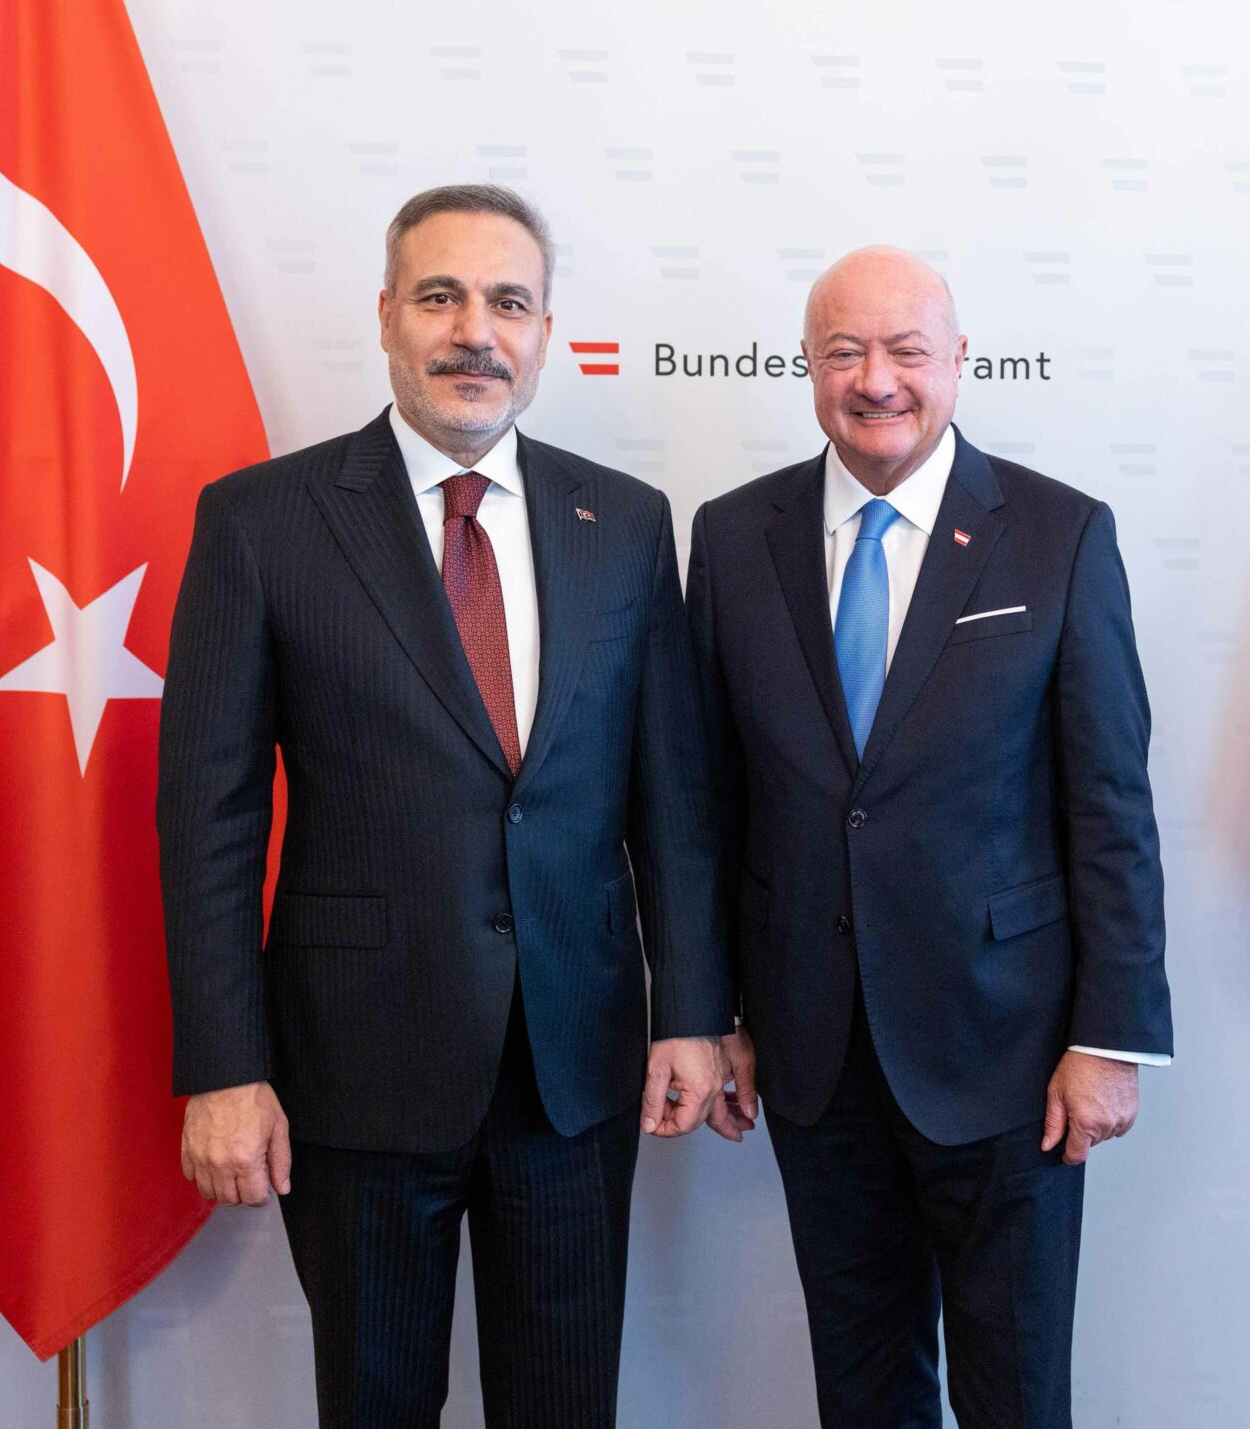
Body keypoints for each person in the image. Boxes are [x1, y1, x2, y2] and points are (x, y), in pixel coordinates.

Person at [157, 184, 729, 1429]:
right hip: (356, 1071)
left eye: (508, 303)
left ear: (545, 332)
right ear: (385, 316)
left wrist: (691, 1011)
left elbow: (672, 801)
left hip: (573, 1070)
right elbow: (209, 821)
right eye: (441, 297)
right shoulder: (262, 521)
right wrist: (224, 1067)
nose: (476, 331)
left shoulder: (625, 523)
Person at [686, 245, 1173, 1428]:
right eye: (844, 351)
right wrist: (710, 1009)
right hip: (812, 1050)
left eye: (906, 350)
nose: (876, 380)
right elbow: (706, 802)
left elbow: (1109, 802)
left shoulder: (1058, 533)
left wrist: (1111, 1034)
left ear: (958, 359)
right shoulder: (733, 535)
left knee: (1017, 1394)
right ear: (807, 365)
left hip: (1010, 1054)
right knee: (863, 1394)